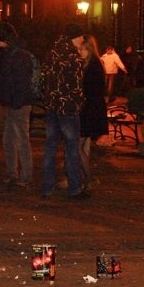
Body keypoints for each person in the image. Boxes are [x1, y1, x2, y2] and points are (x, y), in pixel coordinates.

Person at [39, 23, 87, 200]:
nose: (83, 40)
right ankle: (74, 187)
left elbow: (42, 79)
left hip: (52, 106)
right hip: (68, 108)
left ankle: (47, 186)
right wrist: (78, 103)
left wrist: (48, 99)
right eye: (81, 36)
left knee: (50, 146)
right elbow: (77, 86)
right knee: (71, 147)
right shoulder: (73, 57)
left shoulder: (52, 53)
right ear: (75, 37)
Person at [0, 22, 35, 190]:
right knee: (10, 139)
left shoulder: (16, 55)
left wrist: (14, 100)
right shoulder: (15, 53)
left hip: (18, 103)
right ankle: (13, 173)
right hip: (14, 101)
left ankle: (24, 176)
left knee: (20, 139)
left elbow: (20, 81)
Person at [78, 35, 108, 191]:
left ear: (88, 49)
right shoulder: (95, 64)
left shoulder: (92, 66)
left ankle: (87, 179)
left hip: (90, 109)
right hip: (93, 108)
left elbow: (89, 89)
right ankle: (85, 179)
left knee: (77, 146)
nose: (79, 52)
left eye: (81, 49)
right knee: (82, 145)